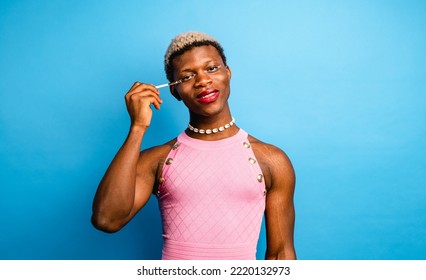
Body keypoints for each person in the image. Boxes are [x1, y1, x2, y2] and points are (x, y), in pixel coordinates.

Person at [91, 31, 296, 260]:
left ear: (227, 73)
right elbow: (106, 219)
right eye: (188, 77)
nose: (203, 81)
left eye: (211, 68)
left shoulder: (271, 160)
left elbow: (281, 253)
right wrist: (137, 128)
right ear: (174, 91)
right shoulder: (158, 159)